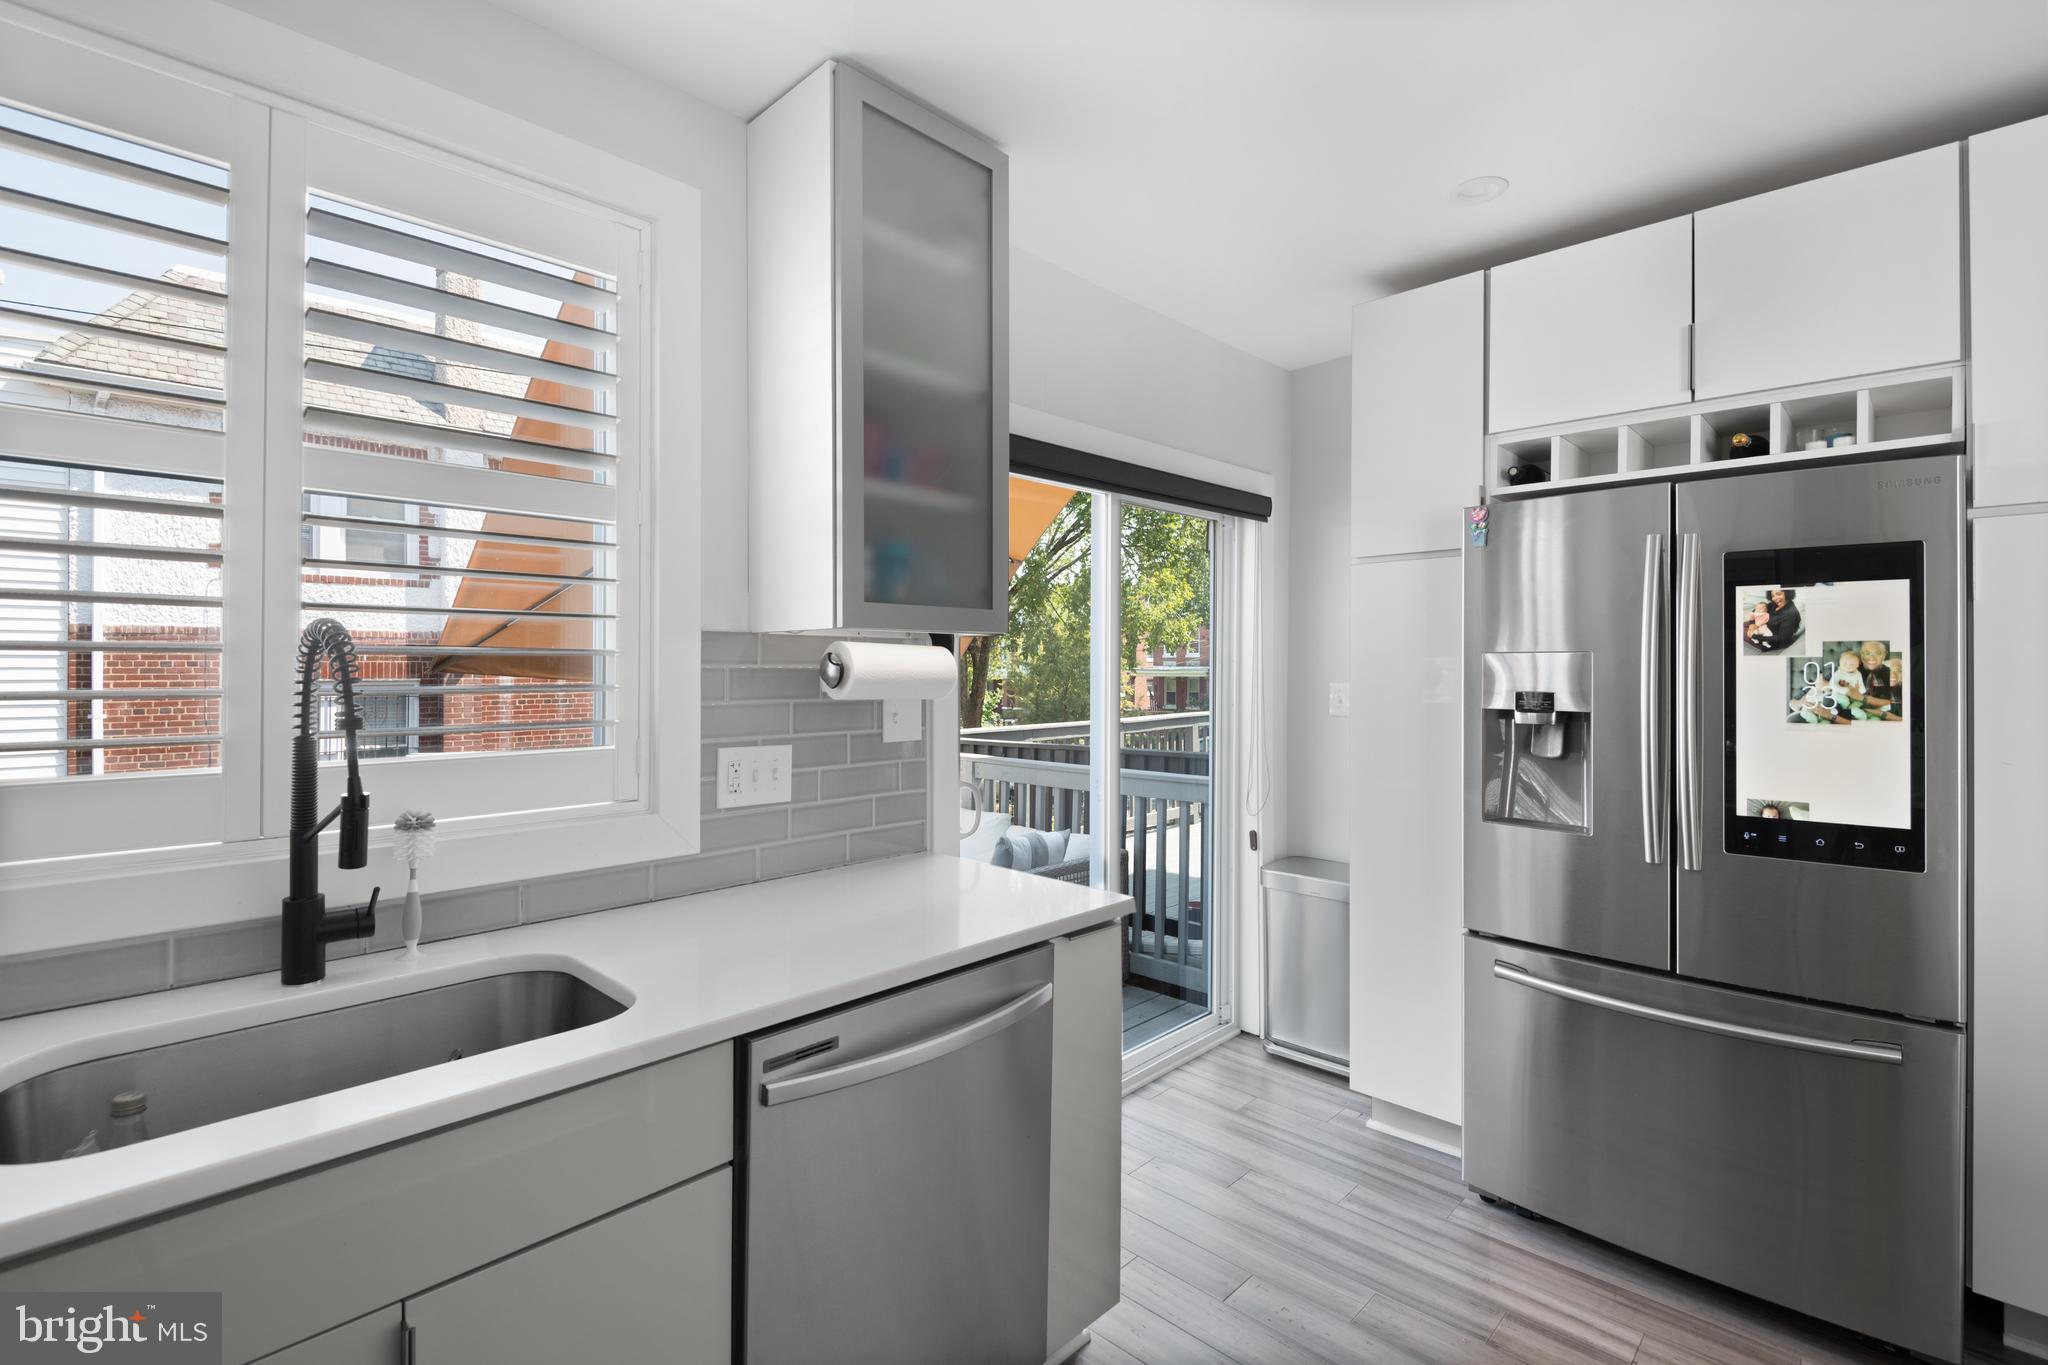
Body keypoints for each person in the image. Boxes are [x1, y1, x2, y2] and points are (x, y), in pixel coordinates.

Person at [1858, 640, 1904, 721]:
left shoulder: (1891, 674)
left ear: (1884, 655)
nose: (1872, 658)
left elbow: (1895, 703)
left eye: (1878, 653)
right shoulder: (1850, 668)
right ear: (1861, 654)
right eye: (1867, 653)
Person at [1749, 589, 1801, 653]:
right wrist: (1751, 625)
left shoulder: (1790, 614)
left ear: (1788, 594)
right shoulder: (1774, 604)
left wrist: (1754, 636)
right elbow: (1756, 610)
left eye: (1779, 594)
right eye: (1773, 596)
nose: (1774, 598)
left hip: (1770, 642)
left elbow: (1782, 638)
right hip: (1761, 628)